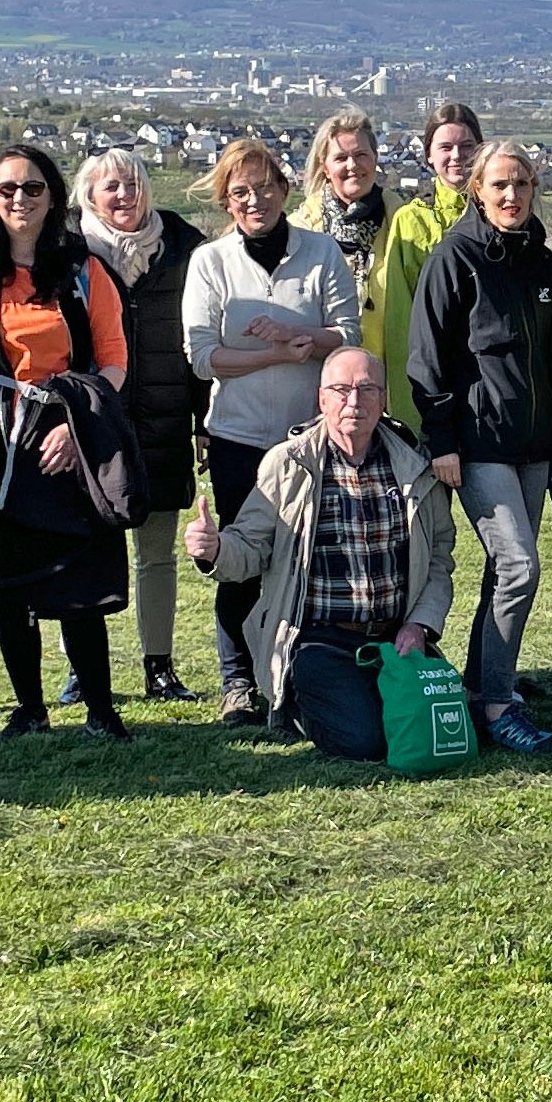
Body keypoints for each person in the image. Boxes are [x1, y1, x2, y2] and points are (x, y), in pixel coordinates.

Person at [0, 143, 140, 738]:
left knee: (81, 577)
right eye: (6, 189)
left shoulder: (84, 270)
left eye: (32, 188)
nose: (19, 199)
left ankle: (100, 709)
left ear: (53, 196)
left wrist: (80, 430)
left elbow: (114, 360)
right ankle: (30, 709)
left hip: (71, 445)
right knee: (12, 579)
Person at [182, 350, 464, 761]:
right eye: (342, 390)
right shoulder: (288, 464)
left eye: (367, 389)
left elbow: (440, 557)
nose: (355, 402)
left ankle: (361, 693)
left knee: (434, 728)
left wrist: (420, 625)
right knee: (367, 743)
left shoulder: (414, 466)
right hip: (319, 639)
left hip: (395, 638)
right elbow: (250, 546)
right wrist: (216, 549)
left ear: (383, 399)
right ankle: (298, 703)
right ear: (322, 399)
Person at [185, 138, 361, 723]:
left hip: (311, 437)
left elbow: (347, 333)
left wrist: (311, 342)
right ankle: (237, 679)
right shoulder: (209, 263)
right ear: (226, 202)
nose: (254, 200)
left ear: (285, 189)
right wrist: (281, 353)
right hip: (238, 438)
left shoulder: (321, 251)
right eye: (240, 192)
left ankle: (296, 674)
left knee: (307, 559)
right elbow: (203, 358)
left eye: (263, 187)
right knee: (240, 560)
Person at [407, 139, 552, 754]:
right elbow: (427, 360)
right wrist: (442, 440)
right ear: (476, 189)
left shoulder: (543, 263)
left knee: (506, 574)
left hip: (531, 445)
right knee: (519, 568)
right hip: (478, 445)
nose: (511, 195)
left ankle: (481, 688)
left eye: (522, 184)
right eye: (499, 184)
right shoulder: (455, 258)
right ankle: (499, 704)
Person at [78, 147, 212, 701]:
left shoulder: (185, 249)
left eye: (133, 183)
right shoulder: (69, 255)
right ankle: (82, 672)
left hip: (163, 423)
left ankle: (159, 665)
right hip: (93, 426)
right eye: (111, 186)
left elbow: (204, 334)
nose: (124, 194)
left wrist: (204, 419)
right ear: (89, 196)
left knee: (156, 555)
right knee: (89, 551)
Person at [368, 101, 480, 435]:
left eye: (466, 146)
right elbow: (402, 321)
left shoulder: (501, 214)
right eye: (446, 147)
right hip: (433, 385)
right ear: (429, 155)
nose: (457, 156)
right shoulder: (412, 219)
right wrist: (411, 411)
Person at [292, 105, 393, 289]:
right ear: (325, 168)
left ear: (375, 158)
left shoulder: (401, 221)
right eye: (341, 158)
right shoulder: (299, 232)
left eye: (361, 155)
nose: (352, 165)